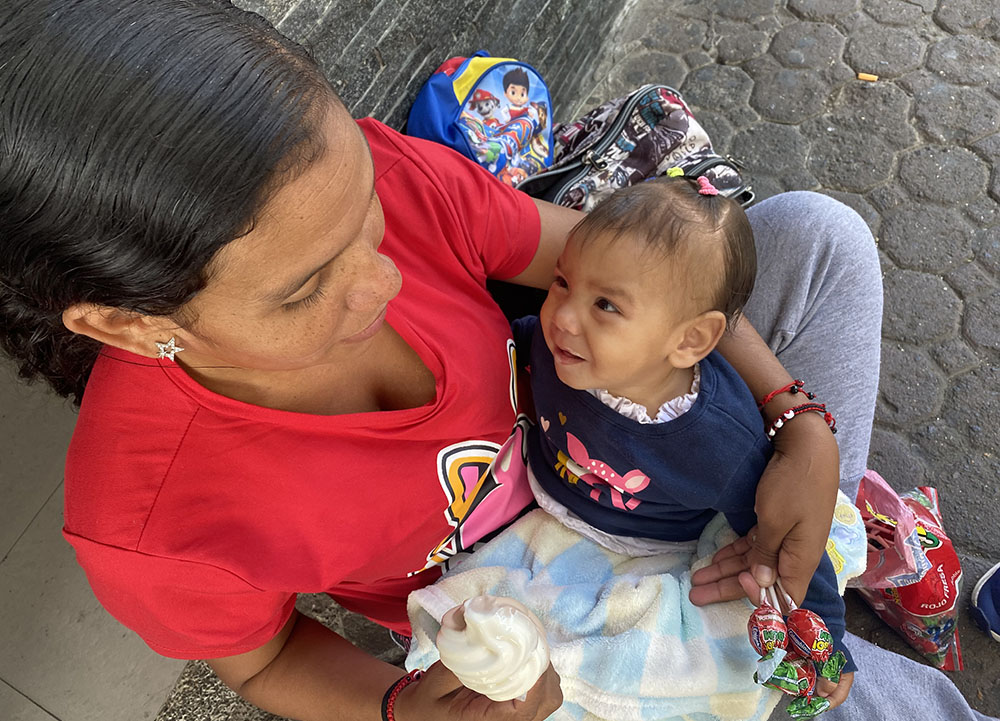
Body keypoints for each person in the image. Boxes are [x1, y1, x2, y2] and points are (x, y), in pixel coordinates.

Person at [0, 3, 991, 721]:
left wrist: (794, 419)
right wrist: (400, 709)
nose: (382, 281)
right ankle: (829, 606)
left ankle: (820, 547)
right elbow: (264, 663)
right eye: (306, 288)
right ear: (126, 324)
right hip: (538, 613)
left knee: (818, 240)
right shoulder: (151, 525)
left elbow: (601, 261)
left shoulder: (383, 173)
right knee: (870, 702)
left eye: (365, 216)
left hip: (626, 429)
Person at [513, 176, 853, 709]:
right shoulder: (550, 343)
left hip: (654, 552)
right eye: (561, 282)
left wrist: (828, 634)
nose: (563, 317)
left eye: (606, 305)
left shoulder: (718, 441)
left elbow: (792, 541)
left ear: (690, 340)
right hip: (542, 520)